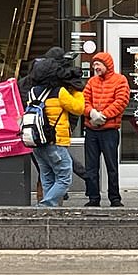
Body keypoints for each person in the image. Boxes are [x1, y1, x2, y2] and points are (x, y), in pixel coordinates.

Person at [28, 57, 85, 207]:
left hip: (38, 143)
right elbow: (78, 108)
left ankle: (49, 211)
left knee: (47, 177)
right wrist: (77, 90)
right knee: (64, 178)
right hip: (56, 142)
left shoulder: (33, 92)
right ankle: (46, 205)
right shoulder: (59, 92)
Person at [83, 52, 130, 207]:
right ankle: (93, 197)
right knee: (91, 166)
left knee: (111, 166)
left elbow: (121, 101)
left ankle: (115, 198)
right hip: (91, 130)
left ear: (107, 65)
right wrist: (91, 113)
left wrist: (103, 116)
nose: (96, 67)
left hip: (109, 130)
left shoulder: (120, 80)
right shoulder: (91, 82)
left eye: (98, 64)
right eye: (94, 64)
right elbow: (84, 101)